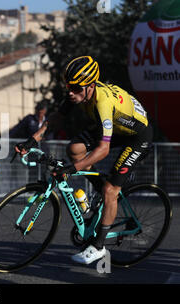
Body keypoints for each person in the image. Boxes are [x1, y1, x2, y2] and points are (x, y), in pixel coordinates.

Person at [15, 56, 152, 265]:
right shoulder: (78, 93)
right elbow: (57, 118)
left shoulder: (103, 102)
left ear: (90, 86)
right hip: (117, 128)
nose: (70, 92)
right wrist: (32, 140)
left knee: (110, 190)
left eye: (76, 88)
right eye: (68, 86)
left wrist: (72, 170)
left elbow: (103, 150)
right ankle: (100, 191)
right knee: (74, 148)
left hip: (137, 136)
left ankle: (99, 246)